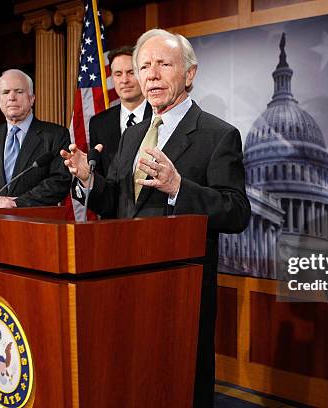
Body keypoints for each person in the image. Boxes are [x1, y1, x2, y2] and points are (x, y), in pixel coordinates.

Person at [61, 29, 251, 407]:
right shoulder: (132, 136)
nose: (151, 75)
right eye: (144, 66)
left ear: (190, 73)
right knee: (133, 378)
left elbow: (236, 212)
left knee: (181, 382)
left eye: (163, 64)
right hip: (126, 279)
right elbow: (117, 200)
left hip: (180, 287)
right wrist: (89, 178)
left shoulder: (218, 135)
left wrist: (180, 188)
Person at [0, 69, 71, 209]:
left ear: (32, 98)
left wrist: (17, 203)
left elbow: (60, 180)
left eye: (19, 91)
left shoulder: (56, 135)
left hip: (37, 222)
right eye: (6, 92)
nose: (12, 97)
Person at [89, 46, 152, 178]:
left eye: (131, 72)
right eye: (118, 74)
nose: (124, 80)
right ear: (112, 78)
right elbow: (99, 176)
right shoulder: (98, 124)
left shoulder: (159, 116)